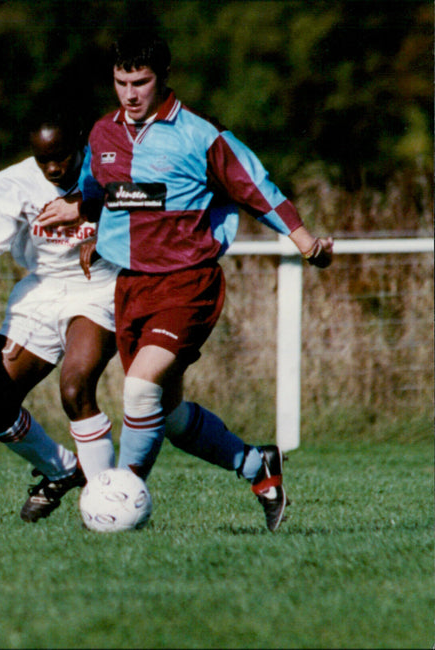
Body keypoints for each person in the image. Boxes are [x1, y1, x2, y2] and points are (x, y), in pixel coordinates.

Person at [37, 33, 333, 532]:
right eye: (121, 82)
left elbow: (257, 188)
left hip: (187, 282)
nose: (130, 94)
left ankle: (118, 500)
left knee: (137, 388)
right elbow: (98, 193)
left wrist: (303, 238)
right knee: (167, 415)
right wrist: (77, 211)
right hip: (131, 285)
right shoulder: (103, 134)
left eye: (141, 82)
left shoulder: (200, 135)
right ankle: (257, 467)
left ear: (163, 78)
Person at [0, 109, 121, 523]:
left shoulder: (110, 165)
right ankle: (63, 470)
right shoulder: (12, 185)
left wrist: (104, 229)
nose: (54, 168)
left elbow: (146, 203)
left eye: (61, 156)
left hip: (100, 288)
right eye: (43, 160)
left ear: (79, 142)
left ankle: (109, 504)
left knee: (75, 388)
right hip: (42, 291)